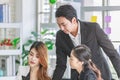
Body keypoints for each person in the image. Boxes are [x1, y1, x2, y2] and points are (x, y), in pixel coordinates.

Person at [52, 4, 120, 80]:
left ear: (74, 20)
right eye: (59, 25)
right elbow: (61, 65)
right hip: (78, 77)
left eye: (63, 24)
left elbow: (112, 53)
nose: (61, 28)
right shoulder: (60, 36)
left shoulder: (93, 29)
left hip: (100, 75)